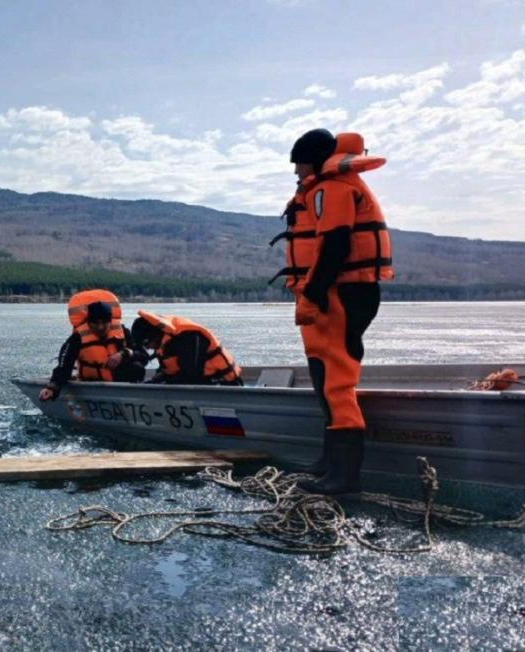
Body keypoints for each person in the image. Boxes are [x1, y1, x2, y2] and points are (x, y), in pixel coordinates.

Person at [270, 129, 394, 494]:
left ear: (314, 161)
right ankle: (329, 462)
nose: (296, 171)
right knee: (321, 375)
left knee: (336, 382)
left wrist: (313, 293)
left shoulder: (334, 188)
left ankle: (345, 476)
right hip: (331, 293)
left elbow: (336, 244)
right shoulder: (323, 188)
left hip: (342, 293)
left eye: (299, 164)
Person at [38, 289, 147, 401]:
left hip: (120, 382)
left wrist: (124, 353)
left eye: (104, 322)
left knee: (137, 368)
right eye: (95, 323)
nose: (100, 327)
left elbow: (143, 356)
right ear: (89, 322)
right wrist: (52, 388)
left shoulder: (123, 332)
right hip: (91, 382)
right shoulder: (78, 337)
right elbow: (64, 366)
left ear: (111, 321)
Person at [130, 310, 243, 386]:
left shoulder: (188, 337)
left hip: (223, 383)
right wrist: (156, 379)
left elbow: (191, 374)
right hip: (199, 381)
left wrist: (164, 381)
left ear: (154, 336)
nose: (149, 348)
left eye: (147, 344)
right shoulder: (165, 340)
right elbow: (168, 369)